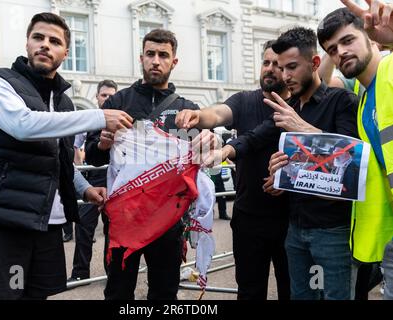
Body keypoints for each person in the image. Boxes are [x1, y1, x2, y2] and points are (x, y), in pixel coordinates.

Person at [0, 12, 133, 300]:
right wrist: (98, 117)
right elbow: (24, 125)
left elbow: (61, 159)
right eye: (38, 37)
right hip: (4, 224)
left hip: (47, 226)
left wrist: (86, 189)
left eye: (54, 41)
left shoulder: (64, 101)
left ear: (65, 53)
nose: (45, 45)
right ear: (27, 43)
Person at [233, 27, 358, 299]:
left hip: (332, 232)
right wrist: (282, 174)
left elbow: (352, 162)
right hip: (295, 230)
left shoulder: (342, 101)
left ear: (314, 63)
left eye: (291, 67)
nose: (284, 76)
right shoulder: (292, 108)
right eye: (280, 67)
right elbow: (260, 141)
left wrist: (301, 128)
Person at [85, 29, 200, 300]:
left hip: (168, 220)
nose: (155, 61)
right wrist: (102, 144)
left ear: (174, 62)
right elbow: (92, 155)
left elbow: (201, 162)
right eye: (150, 54)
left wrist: (208, 145)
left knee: (164, 293)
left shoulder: (188, 109)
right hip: (125, 218)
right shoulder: (118, 102)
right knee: (118, 291)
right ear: (141, 58)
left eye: (163, 55)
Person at [175, 40, 291, 300]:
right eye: (266, 62)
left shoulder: (300, 106)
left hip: (291, 219)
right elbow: (218, 113)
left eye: (278, 65)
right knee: (249, 291)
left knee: (292, 290)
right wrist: (197, 115)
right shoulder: (245, 100)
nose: (270, 69)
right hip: (248, 217)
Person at [319, 0, 393, 300]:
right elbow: (319, 83)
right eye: (332, 49)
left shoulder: (390, 70)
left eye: (348, 40)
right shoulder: (362, 102)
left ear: (370, 37)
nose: (341, 52)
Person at [67, 79, 118, 285]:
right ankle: (80, 273)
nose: (107, 99)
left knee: (113, 230)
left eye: (111, 96)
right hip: (92, 181)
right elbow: (72, 148)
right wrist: (78, 168)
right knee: (83, 227)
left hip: (116, 182)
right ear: (97, 97)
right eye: (104, 95)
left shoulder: (124, 121)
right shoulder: (88, 121)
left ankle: (112, 273)